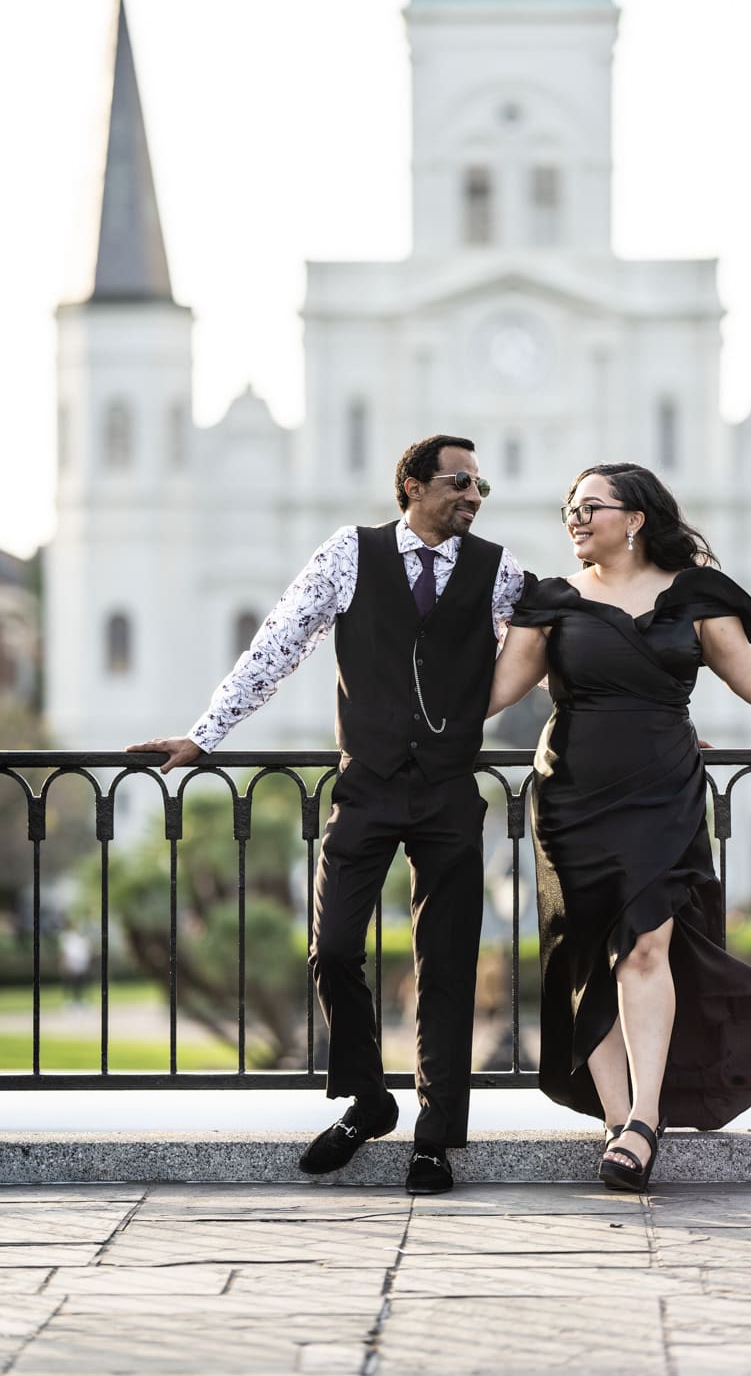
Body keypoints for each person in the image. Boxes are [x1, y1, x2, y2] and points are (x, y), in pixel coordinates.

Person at [128, 434, 523, 1195]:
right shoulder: (349, 552)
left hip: (447, 792)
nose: (474, 497)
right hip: (367, 788)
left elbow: (557, 645)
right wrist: (206, 735)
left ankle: (434, 1140)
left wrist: (651, 713)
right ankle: (370, 1101)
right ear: (410, 485)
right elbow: (277, 644)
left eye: (481, 487)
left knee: (446, 968)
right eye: (459, 482)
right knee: (334, 946)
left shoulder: (498, 569)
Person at [488, 463, 751, 1192]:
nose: (575, 519)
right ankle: (615, 1121)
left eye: (591, 507)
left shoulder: (698, 596)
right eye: (569, 509)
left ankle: (644, 1117)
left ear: (635, 518)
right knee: (583, 959)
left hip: (661, 792)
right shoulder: (549, 600)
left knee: (645, 945)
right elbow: (494, 692)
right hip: (569, 796)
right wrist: (407, 706)